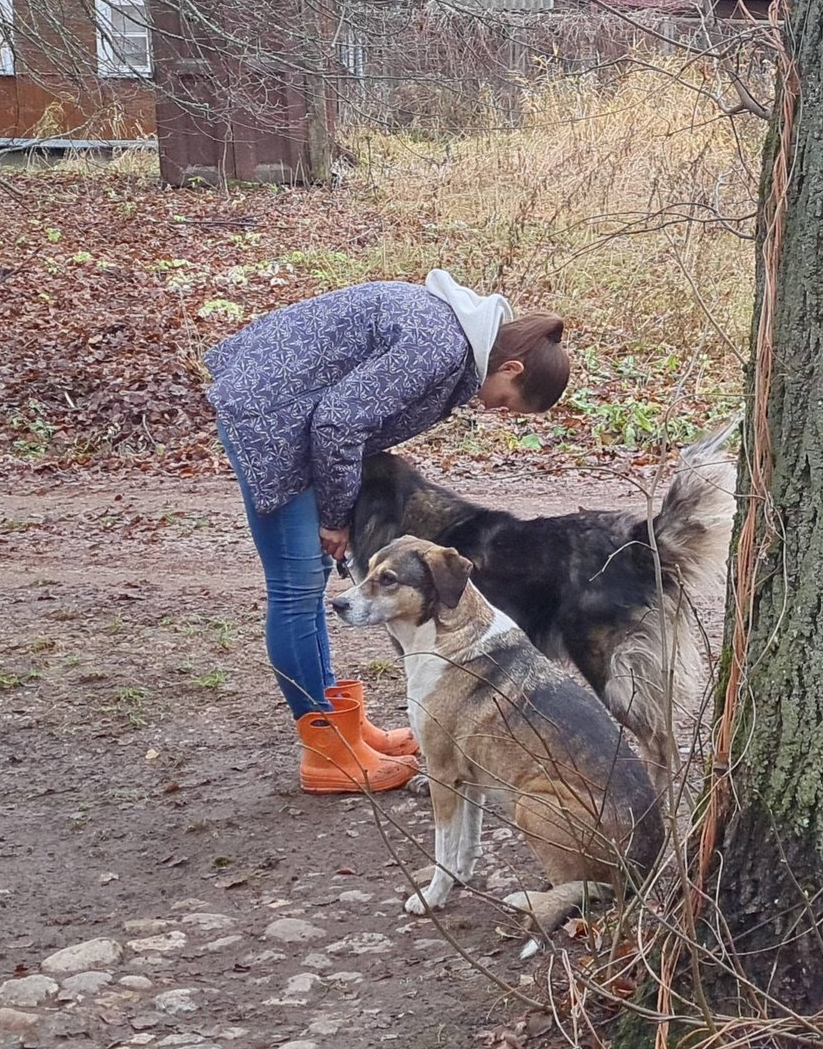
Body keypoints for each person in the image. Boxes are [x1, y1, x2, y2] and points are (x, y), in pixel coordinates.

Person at [205, 270, 571, 794]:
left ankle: (346, 726)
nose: (499, 410)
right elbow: (336, 424)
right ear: (510, 367)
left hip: (286, 413)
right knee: (296, 589)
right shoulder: (439, 346)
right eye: (509, 401)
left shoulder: (450, 338)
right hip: (273, 419)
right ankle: (328, 751)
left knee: (304, 587)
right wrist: (335, 518)